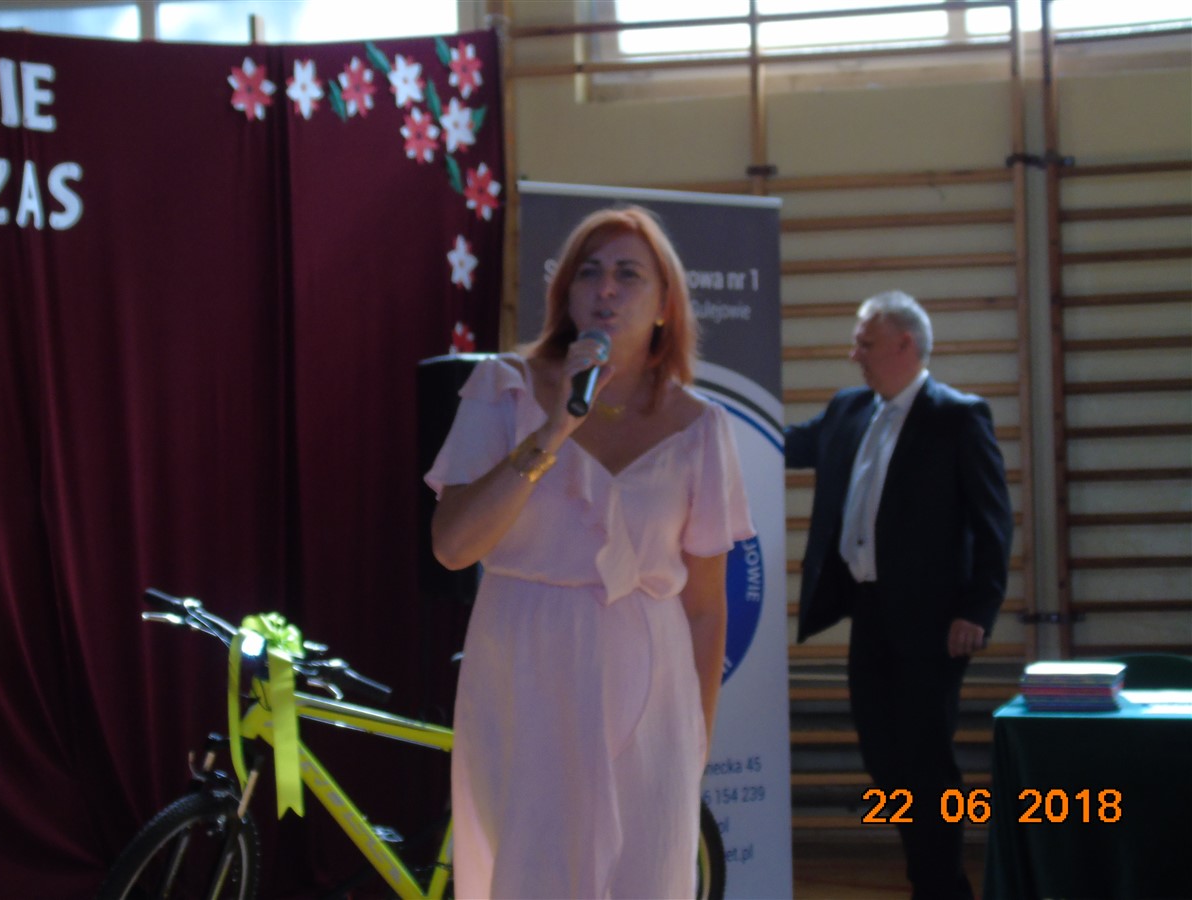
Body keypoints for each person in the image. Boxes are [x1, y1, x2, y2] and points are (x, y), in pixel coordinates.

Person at [425, 205, 755, 899]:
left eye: (628, 273)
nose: (605, 287)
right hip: (527, 668)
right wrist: (551, 432)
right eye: (589, 272)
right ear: (566, 296)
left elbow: (704, 608)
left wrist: (693, 743)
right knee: (533, 874)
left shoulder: (701, 427)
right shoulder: (504, 387)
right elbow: (453, 546)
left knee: (645, 878)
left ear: (664, 305)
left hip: (655, 693)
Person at [785, 290, 1013, 900]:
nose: (853, 354)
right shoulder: (848, 409)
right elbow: (785, 443)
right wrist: (701, 418)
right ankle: (938, 881)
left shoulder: (958, 416)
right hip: (869, 613)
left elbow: (993, 521)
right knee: (883, 759)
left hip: (935, 621)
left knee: (925, 759)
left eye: (864, 342)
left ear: (903, 345)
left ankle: (937, 887)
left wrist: (978, 609)